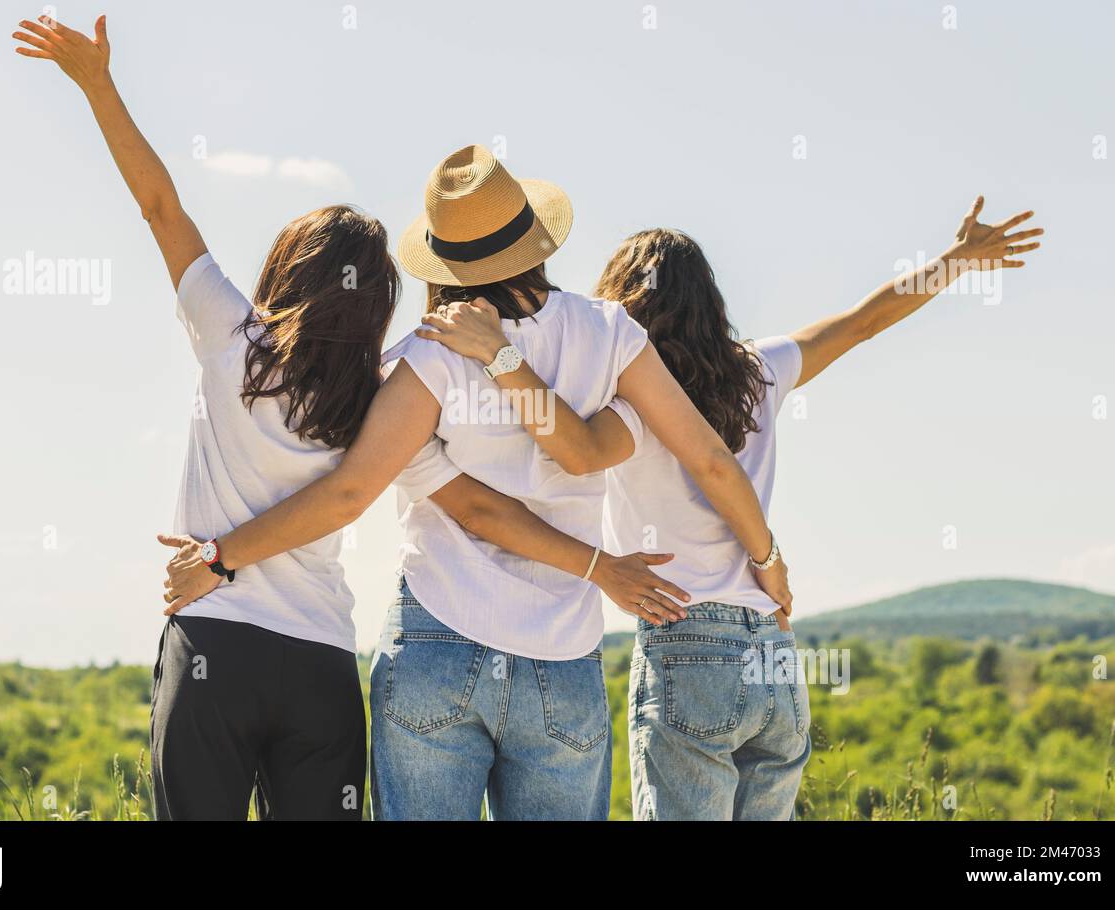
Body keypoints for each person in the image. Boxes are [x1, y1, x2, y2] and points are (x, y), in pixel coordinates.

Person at [12, 14, 688, 820]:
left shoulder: (251, 342)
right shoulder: (380, 389)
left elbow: (161, 206)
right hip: (321, 661)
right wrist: (604, 563)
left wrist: (98, 86)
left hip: (219, 640)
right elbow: (485, 495)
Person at [164, 144, 790, 820]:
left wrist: (220, 556)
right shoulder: (611, 334)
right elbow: (711, 462)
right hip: (562, 654)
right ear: (533, 236)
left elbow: (356, 495)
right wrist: (767, 560)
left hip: (437, 639)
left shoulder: (420, 361)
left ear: (445, 262)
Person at [414, 197, 1042, 819]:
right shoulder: (761, 370)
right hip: (772, 646)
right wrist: (956, 260)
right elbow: (862, 322)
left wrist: (501, 357)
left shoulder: (633, 405)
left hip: (686, 640)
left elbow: (575, 449)